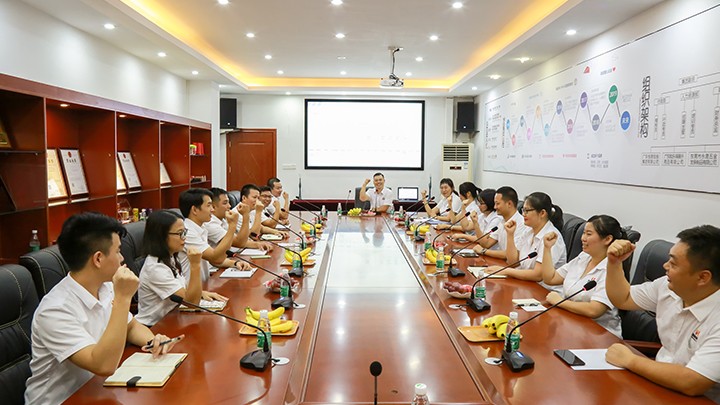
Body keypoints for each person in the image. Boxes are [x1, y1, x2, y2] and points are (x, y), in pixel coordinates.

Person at [25, 212, 181, 404]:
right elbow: (102, 365)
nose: (122, 258)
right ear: (98, 259)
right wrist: (123, 298)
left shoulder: (106, 286)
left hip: (99, 390)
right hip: (63, 400)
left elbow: (131, 327)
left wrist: (153, 341)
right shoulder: (55, 310)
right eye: (118, 251)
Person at [604, 225, 720, 400]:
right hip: (656, 384)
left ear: (703, 277)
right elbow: (624, 298)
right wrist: (614, 263)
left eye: (673, 264)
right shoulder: (667, 286)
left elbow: (693, 381)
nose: (665, 266)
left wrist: (630, 360)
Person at [136, 210, 228, 327]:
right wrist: (195, 265)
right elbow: (192, 303)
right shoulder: (155, 268)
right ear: (162, 236)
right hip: (154, 327)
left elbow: (182, 290)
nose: (184, 238)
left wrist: (202, 293)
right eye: (180, 233)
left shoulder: (171, 257)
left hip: (173, 318)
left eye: (185, 232)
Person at [540, 215, 624, 337]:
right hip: (572, 323)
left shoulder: (611, 270)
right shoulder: (584, 257)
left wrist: (560, 302)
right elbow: (550, 278)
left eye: (588, 234)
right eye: (583, 233)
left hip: (599, 335)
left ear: (607, 239)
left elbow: (594, 310)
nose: (583, 238)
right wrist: (547, 248)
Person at [495, 191, 567, 285]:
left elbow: (537, 275)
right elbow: (513, 262)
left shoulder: (552, 237)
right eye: (523, 210)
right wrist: (510, 234)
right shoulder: (528, 231)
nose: (523, 214)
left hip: (544, 289)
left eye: (527, 211)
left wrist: (505, 271)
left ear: (542, 213)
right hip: (525, 283)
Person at [177, 188, 249, 282]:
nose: (212, 209)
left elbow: (213, 260)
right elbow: (215, 258)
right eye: (208, 205)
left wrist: (235, 263)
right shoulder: (187, 232)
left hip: (204, 283)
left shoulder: (201, 227)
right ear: (194, 210)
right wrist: (232, 226)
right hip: (191, 288)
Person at [472, 186, 528, 259]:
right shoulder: (502, 221)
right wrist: (475, 223)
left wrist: (483, 251)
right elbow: (486, 244)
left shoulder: (522, 224)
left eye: (497, 204)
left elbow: (511, 255)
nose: (495, 207)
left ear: (509, 204)